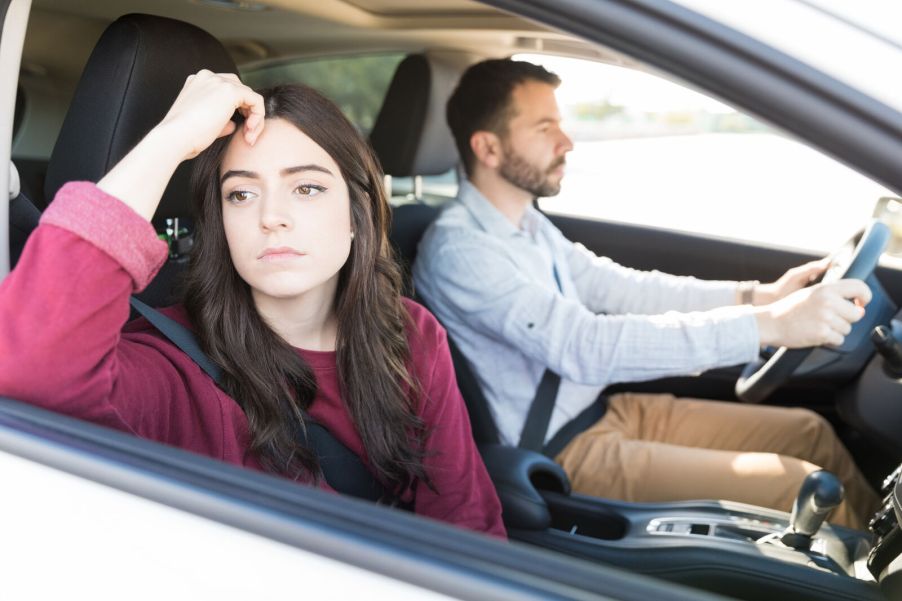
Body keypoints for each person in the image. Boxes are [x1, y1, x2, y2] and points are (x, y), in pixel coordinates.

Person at [0, 71, 504, 537]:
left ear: (356, 214)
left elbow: (466, 521)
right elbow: (30, 366)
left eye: (306, 188)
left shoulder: (409, 333)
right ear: (222, 224)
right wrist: (172, 137)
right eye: (241, 194)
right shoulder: (178, 372)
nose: (272, 217)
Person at [413, 58, 881, 529]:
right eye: (544, 127)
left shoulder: (529, 225)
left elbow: (626, 288)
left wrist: (761, 296)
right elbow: (583, 346)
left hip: (607, 411)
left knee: (810, 432)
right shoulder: (462, 251)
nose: (567, 141)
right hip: (564, 448)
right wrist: (772, 325)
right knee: (797, 483)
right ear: (489, 148)